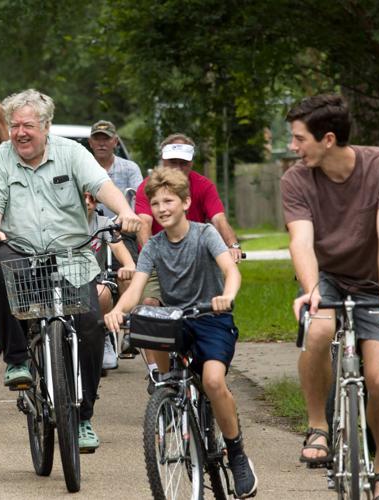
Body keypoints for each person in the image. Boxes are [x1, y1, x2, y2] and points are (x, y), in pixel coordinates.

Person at [0, 89, 141, 452]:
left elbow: (101, 185)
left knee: (91, 326)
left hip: (72, 255)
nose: (20, 132)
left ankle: (84, 417)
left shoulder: (72, 153)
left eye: (28, 125)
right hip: (21, 250)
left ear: (46, 126)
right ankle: (17, 359)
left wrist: (125, 212)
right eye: (14, 125)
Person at [104, 167, 258, 498]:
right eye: (155, 203)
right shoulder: (154, 246)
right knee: (152, 323)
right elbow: (136, 288)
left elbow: (230, 271)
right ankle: (168, 389)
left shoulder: (204, 234)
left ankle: (236, 453)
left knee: (213, 381)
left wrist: (227, 296)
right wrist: (118, 309)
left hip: (211, 318)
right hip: (177, 321)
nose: (161, 209)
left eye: (169, 201)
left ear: (186, 202)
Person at [281, 94, 379, 497]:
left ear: (327, 139)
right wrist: (311, 290)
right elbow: (301, 240)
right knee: (317, 329)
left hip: (374, 281)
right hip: (327, 276)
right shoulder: (296, 179)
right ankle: (318, 425)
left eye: (299, 138)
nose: (293, 147)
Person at [134, 133, 242, 380]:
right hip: (159, 256)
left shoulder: (203, 186)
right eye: (172, 162)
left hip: (194, 257)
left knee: (210, 372)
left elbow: (218, 219)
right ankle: (158, 373)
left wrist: (232, 245)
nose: (178, 168)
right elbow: (144, 223)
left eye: (183, 162)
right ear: (162, 160)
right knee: (150, 308)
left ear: (192, 162)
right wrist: (153, 255)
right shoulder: (149, 187)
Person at [84, 191, 135, 370]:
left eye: (92, 198)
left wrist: (128, 265)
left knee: (103, 293)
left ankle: (104, 335)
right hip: (65, 280)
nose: (87, 202)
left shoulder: (104, 224)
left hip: (94, 281)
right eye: (83, 197)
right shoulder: (62, 222)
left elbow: (119, 248)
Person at [88, 120, 143, 218]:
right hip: (87, 225)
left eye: (106, 139)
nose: (101, 143)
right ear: (90, 142)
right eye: (97, 139)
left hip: (123, 225)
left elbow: (140, 201)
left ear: (115, 141)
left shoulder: (130, 169)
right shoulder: (81, 169)